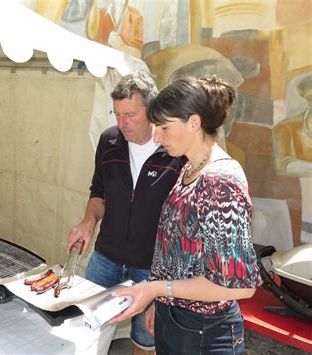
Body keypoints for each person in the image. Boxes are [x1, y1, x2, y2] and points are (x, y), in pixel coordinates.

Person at [110, 76, 263, 354]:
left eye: (165, 127)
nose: (157, 136)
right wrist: (162, 303)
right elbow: (178, 253)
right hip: (177, 320)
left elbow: (238, 287)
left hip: (205, 331)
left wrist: (157, 290)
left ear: (194, 122)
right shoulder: (190, 169)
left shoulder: (220, 182)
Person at [66, 70, 185, 354]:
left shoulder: (174, 150)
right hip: (105, 258)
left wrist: (164, 284)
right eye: (117, 114)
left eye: (130, 114)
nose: (122, 123)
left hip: (151, 267)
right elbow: (99, 192)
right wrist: (88, 221)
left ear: (152, 109)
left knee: (145, 339)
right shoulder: (109, 141)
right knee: (86, 327)